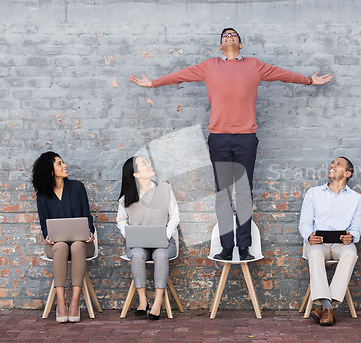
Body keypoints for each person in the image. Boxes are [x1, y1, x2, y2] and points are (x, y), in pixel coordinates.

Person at [130, 28, 333, 261]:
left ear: (240, 44)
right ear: (220, 46)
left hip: (246, 137)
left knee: (245, 192)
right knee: (223, 194)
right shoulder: (209, 66)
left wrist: (308, 80)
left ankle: (244, 246)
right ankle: (227, 247)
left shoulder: (254, 66)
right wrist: (153, 83)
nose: (229, 36)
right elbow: (181, 75)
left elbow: (281, 74)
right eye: (224, 35)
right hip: (219, 137)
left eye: (233, 35)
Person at [299, 157, 361, 326]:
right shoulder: (313, 193)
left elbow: (357, 228)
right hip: (317, 244)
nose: (333, 166)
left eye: (339, 164)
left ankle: (325, 307)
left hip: (340, 245)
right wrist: (309, 236)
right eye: (332, 163)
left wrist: (352, 237)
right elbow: (305, 223)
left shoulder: (357, 199)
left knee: (351, 253)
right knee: (314, 253)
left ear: (347, 173)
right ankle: (329, 307)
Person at [32, 152, 95, 323]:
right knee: (60, 246)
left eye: (63, 162)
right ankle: (61, 303)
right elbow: (45, 226)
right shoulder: (42, 197)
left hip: (82, 244)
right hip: (56, 246)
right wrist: (47, 236)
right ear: (50, 171)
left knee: (76, 245)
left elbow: (88, 216)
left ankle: (74, 302)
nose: (64, 165)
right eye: (59, 164)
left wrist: (89, 232)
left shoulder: (77, 187)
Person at [117, 156, 180, 320]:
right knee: (137, 254)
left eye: (147, 161)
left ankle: (158, 302)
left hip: (164, 242)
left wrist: (166, 234)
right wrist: (128, 234)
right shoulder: (126, 199)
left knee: (161, 255)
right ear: (135, 174)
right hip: (138, 243)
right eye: (144, 163)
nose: (149, 164)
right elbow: (121, 220)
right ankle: (143, 301)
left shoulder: (165, 189)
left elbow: (175, 215)